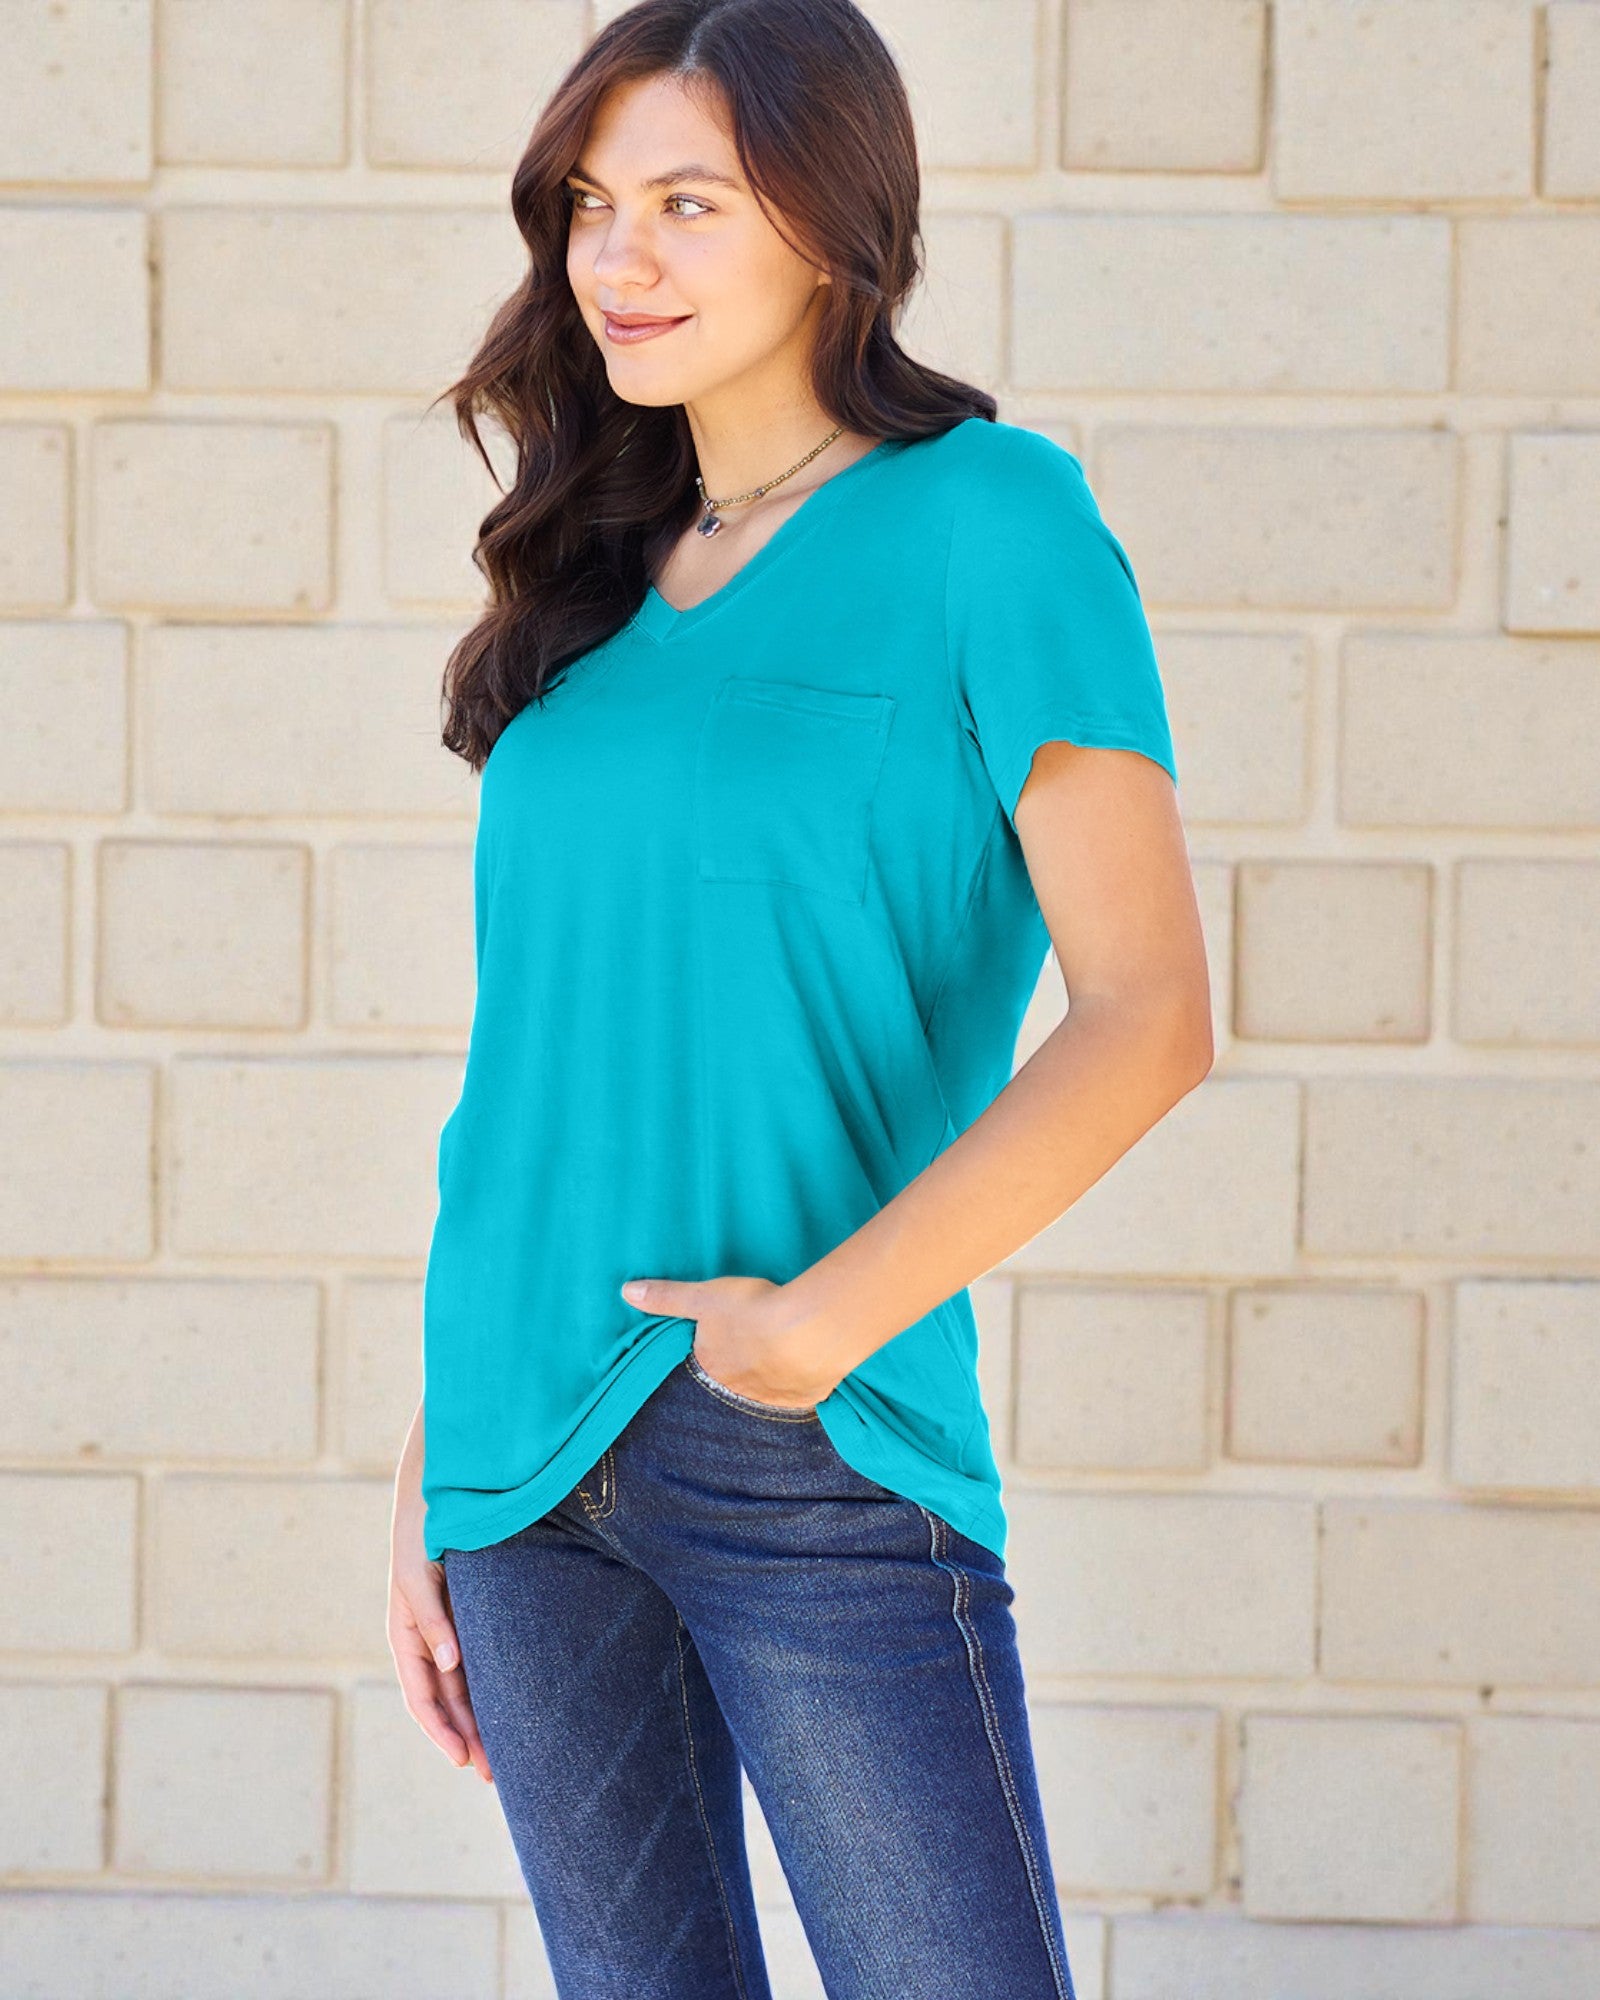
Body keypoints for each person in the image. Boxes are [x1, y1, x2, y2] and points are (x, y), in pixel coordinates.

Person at [386, 2, 1212, 1995]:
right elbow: (534, 1074)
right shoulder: (588, 579)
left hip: (806, 1430)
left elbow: (1147, 1012)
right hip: (514, 1447)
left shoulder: (986, 520)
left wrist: (820, 1324)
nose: (616, 259)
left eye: (683, 201)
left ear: (833, 223)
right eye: (591, 205)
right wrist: (424, 1464)